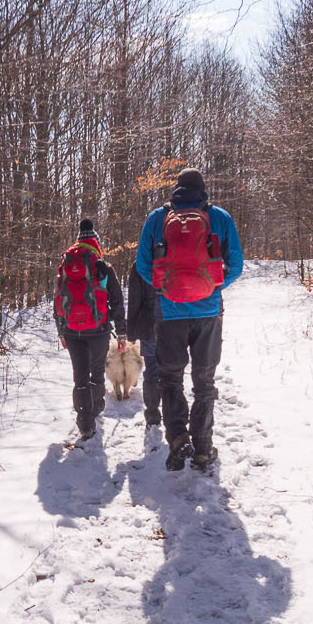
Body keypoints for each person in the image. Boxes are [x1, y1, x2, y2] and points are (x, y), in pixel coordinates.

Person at [132, 167, 244, 471]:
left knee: (170, 379)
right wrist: (212, 286)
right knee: (204, 382)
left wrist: (165, 288)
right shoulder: (219, 217)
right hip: (208, 312)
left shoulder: (157, 218)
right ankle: (204, 449)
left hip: (169, 313)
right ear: (203, 189)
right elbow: (236, 265)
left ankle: (179, 438)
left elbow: (143, 265)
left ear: (176, 189)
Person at [52, 218, 125, 440]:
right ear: (96, 242)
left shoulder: (64, 265)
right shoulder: (102, 266)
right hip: (99, 329)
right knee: (96, 373)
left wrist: (61, 330)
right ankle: (95, 408)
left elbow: (57, 300)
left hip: (72, 330)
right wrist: (121, 332)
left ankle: (85, 422)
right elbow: (117, 300)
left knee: (79, 375)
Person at [123, 264, 162, 427]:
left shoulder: (141, 264)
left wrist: (131, 333)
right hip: (176, 321)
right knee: (173, 372)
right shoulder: (176, 252)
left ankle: (152, 413)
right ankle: (174, 417)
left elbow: (134, 301)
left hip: (150, 324)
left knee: (152, 370)